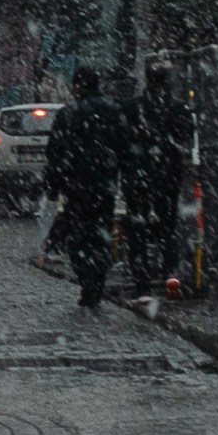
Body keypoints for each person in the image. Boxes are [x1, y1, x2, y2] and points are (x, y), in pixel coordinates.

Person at [44, 67, 126, 311]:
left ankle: (87, 281)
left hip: (76, 187)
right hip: (103, 187)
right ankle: (96, 281)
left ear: (78, 86)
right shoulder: (113, 111)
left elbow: (54, 153)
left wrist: (55, 184)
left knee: (79, 238)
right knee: (100, 235)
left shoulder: (69, 114)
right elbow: (124, 147)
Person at [119, 66, 188, 313]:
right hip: (167, 177)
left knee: (138, 227)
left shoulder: (132, 107)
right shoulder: (178, 108)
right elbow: (186, 137)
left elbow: (121, 141)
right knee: (168, 227)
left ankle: (143, 285)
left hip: (139, 177)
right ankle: (171, 275)